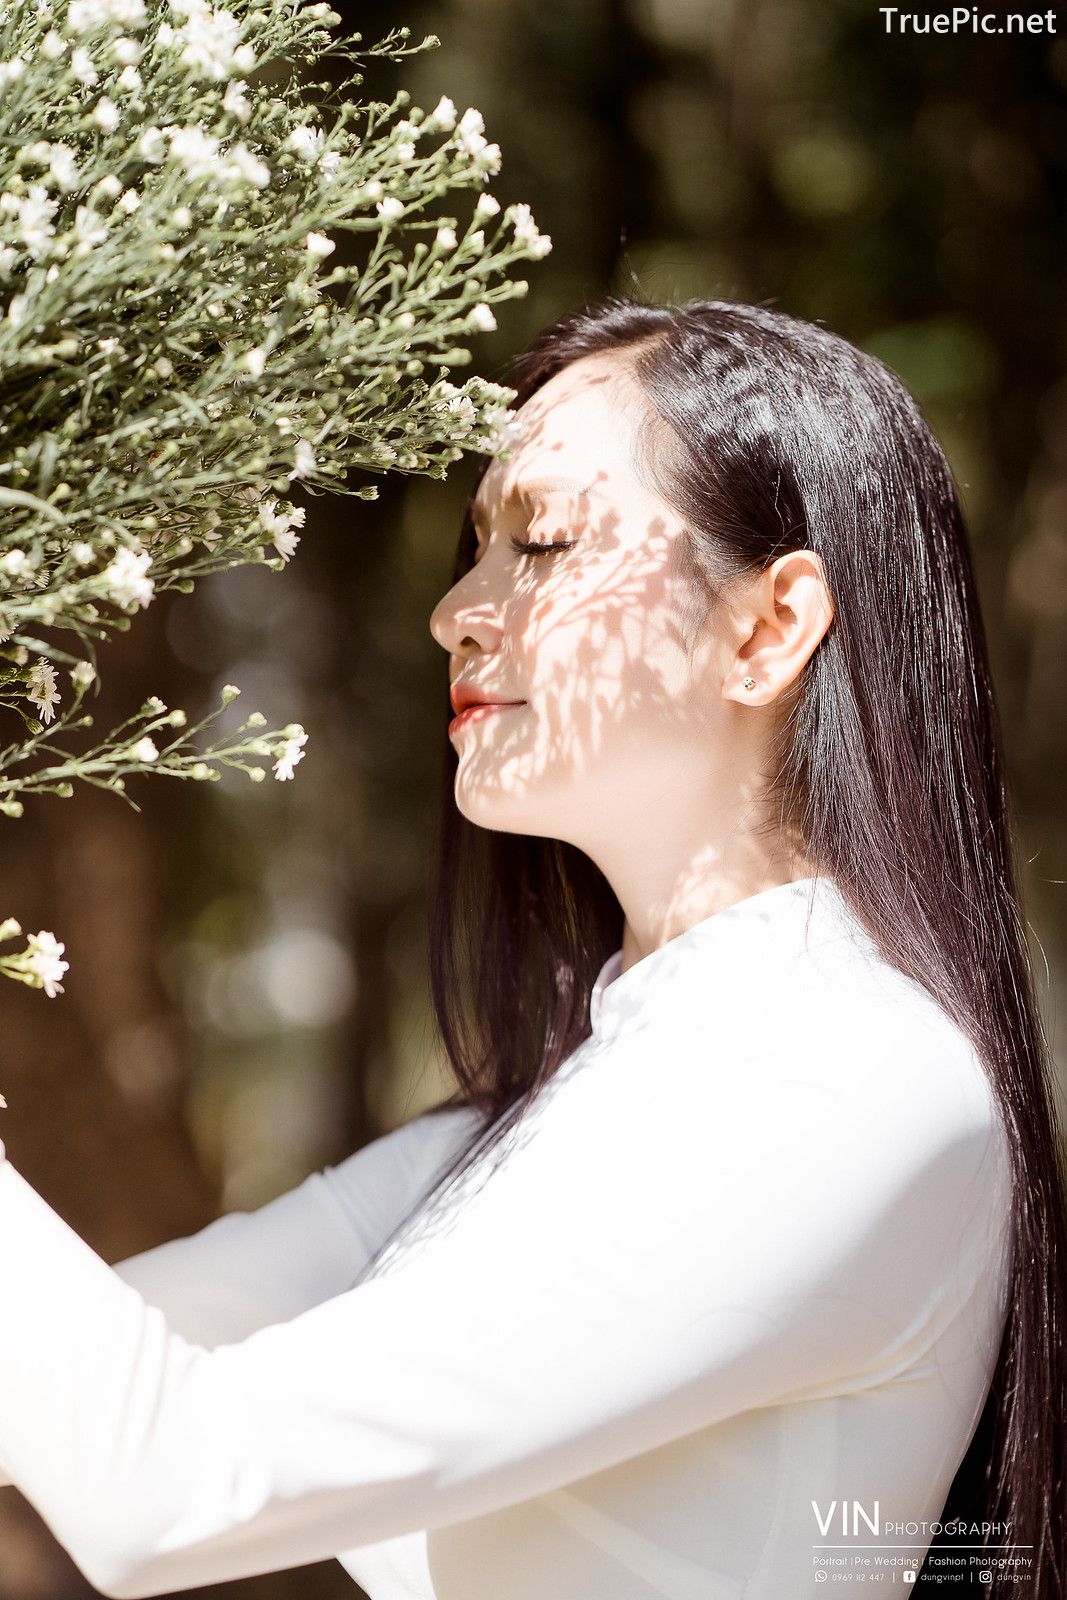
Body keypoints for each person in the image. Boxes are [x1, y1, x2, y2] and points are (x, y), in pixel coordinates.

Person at [0, 295, 1062, 1600]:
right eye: (476, 545)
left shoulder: (848, 1079)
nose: (456, 608)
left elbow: (171, 1487)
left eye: (543, 541)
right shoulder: (553, 1104)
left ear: (769, 628)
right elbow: (76, 1380)